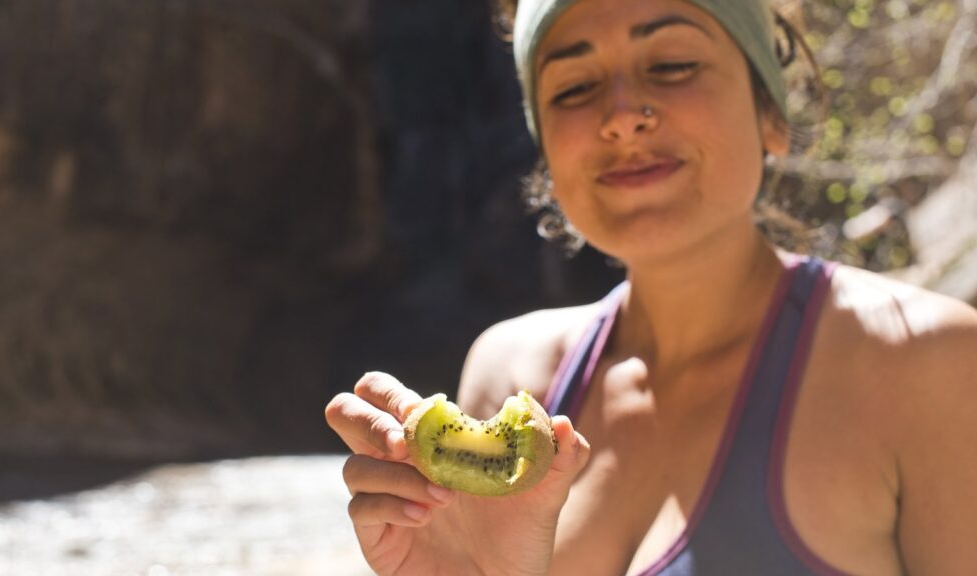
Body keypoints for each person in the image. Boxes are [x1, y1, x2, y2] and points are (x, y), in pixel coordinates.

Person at [325, 0, 977, 573]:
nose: (620, 117)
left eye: (671, 66)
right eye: (574, 87)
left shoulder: (925, 363)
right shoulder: (510, 370)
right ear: (545, 154)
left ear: (771, 112)